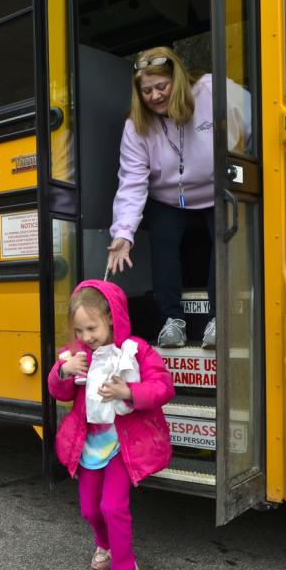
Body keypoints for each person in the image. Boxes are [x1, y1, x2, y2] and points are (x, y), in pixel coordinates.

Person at [48, 280, 175, 570]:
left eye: (91, 328)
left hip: (122, 444)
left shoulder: (136, 350)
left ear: (111, 317)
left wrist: (129, 392)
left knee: (112, 506)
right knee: (90, 509)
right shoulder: (76, 356)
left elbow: (163, 387)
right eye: (79, 331)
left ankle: (126, 569)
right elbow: (59, 393)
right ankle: (104, 544)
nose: (86, 337)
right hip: (89, 444)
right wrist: (62, 372)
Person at [106, 47, 217, 349]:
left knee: (226, 233)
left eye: (161, 86)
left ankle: (219, 319)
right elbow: (131, 183)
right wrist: (124, 234)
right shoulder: (136, 126)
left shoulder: (210, 92)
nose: (154, 96)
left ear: (177, 80)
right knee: (163, 239)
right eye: (146, 90)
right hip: (169, 199)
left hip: (217, 192)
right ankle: (172, 321)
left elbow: (248, 128)